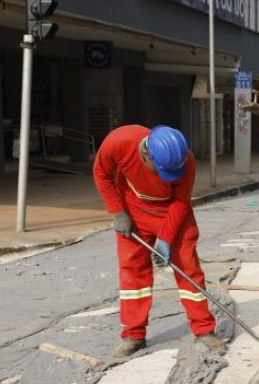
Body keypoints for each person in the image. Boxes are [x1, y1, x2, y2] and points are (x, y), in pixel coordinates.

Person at [93, 125, 226, 357]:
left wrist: (165, 238)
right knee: (133, 270)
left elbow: (182, 202)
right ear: (146, 153)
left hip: (172, 211)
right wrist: (118, 212)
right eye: (163, 170)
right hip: (133, 210)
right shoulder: (119, 141)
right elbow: (101, 174)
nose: (170, 175)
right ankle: (133, 335)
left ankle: (204, 329)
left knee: (188, 267)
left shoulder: (186, 161)